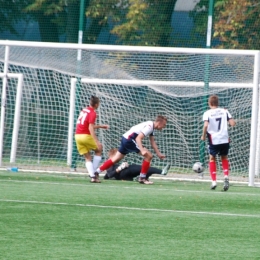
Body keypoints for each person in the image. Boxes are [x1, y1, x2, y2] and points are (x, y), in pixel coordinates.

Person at [94, 115, 167, 184]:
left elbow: (152, 142)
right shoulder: (149, 126)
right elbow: (138, 138)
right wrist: (142, 149)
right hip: (129, 140)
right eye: (164, 125)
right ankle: (142, 178)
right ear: (159, 123)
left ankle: (96, 172)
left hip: (125, 138)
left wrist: (158, 153)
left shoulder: (151, 127)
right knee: (148, 156)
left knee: (115, 159)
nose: (163, 127)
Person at [201, 95, 236, 191]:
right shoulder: (225, 111)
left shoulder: (207, 113)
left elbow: (205, 125)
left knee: (212, 158)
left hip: (214, 139)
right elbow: (233, 123)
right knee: (224, 157)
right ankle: (225, 176)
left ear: (209, 103)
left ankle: (214, 182)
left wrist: (203, 135)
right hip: (224, 139)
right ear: (217, 103)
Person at [74, 95, 109, 183]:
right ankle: (94, 173)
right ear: (96, 104)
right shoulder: (93, 113)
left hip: (77, 136)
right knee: (99, 149)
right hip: (85, 136)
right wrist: (96, 141)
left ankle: (93, 176)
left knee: (88, 157)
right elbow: (90, 128)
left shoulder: (84, 110)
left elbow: (86, 125)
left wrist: (101, 126)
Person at [103, 148, 171, 181]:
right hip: (125, 171)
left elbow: (106, 176)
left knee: (143, 170)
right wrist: (120, 168)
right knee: (143, 168)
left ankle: (140, 177)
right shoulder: (109, 162)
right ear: (113, 155)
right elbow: (109, 175)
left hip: (126, 174)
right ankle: (162, 172)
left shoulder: (111, 163)